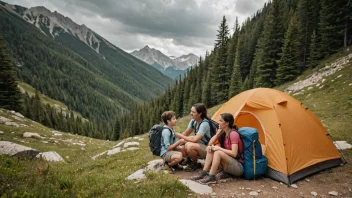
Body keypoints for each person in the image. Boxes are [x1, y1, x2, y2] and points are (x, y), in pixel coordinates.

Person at [190, 113, 243, 184]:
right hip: (229, 164)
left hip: (238, 167)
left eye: (220, 121)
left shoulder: (233, 134)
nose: (218, 123)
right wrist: (217, 135)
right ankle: (204, 172)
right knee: (210, 149)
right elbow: (209, 144)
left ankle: (211, 176)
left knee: (218, 152)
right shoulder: (223, 133)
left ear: (227, 123)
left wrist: (218, 149)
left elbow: (234, 153)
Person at [176, 103, 212, 171]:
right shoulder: (193, 121)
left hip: (208, 148)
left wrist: (180, 135)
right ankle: (189, 159)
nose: (191, 113)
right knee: (181, 146)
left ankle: (195, 164)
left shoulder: (205, 124)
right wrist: (176, 140)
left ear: (200, 114)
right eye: (191, 111)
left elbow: (195, 140)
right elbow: (186, 133)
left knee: (189, 146)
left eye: (193, 112)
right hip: (200, 145)